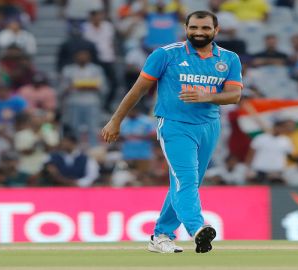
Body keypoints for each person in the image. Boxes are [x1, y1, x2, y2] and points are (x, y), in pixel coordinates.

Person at [101, 11, 242, 254]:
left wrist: (206, 96)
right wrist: (116, 121)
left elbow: (234, 95)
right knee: (186, 180)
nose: (199, 32)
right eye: (194, 27)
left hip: (209, 126)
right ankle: (197, 228)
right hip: (175, 125)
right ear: (185, 28)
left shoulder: (229, 59)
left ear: (216, 31)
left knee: (186, 183)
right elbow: (138, 90)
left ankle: (161, 235)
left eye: (205, 28)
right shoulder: (166, 54)